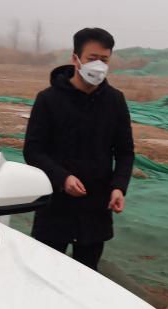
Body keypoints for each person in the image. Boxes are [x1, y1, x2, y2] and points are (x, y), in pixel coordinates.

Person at [23, 27, 135, 271]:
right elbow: (33, 150)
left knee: (86, 275)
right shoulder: (48, 99)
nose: (99, 66)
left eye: (104, 60)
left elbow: (125, 152)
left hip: (96, 209)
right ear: (75, 59)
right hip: (54, 208)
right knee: (45, 273)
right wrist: (62, 178)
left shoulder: (115, 101)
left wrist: (118, 187)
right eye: (92, 58)